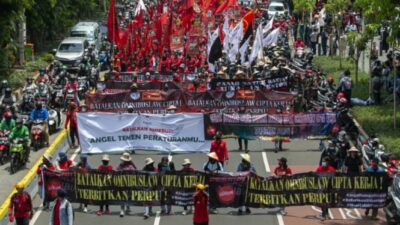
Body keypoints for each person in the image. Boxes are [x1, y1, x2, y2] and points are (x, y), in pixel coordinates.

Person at [117, 152, 136, 217]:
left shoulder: (131, 166)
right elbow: (117, 171)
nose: (124, 161)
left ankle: (128, 205)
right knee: (122, 196)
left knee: (129, 195)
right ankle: (122, 210)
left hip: (129, 183)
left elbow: (135, 172)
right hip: (122, 183)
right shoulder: (120, 165)